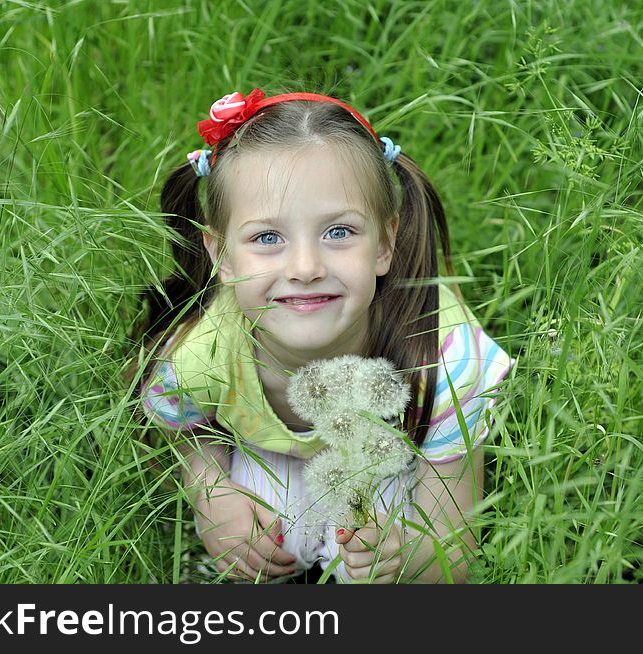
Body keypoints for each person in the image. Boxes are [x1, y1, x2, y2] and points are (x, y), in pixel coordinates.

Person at [128, 88, 513, 583]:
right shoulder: (203, 353)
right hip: (276, 462)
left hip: (390, 466)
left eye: (338, 232)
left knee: (378, 564)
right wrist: (211, 492)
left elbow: (454, 549)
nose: (306, 268)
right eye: (268, 238)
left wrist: (404, 557)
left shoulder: (445, 359)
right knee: (256, 536)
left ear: (385, 244)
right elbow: (178, 422)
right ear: (221, 256)